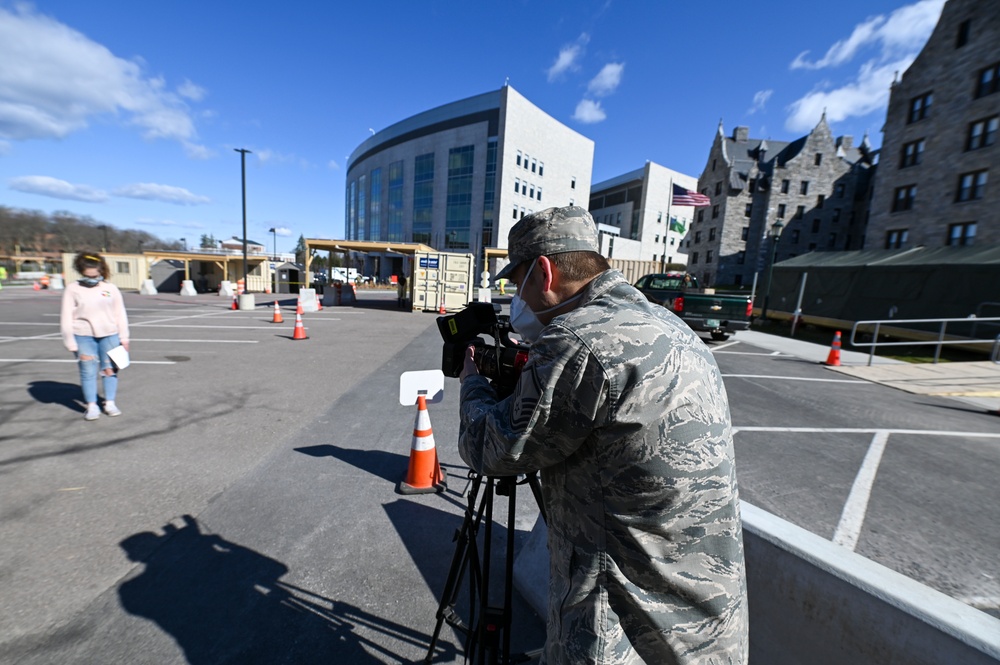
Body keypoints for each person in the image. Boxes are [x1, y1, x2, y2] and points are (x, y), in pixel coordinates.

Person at [458, 206, 748, 664]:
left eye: (519, 283)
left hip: (620, 624)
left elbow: (492, 448)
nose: (521, 299)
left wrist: (473, 381)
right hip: (703, 618)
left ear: (545, 271)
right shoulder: (669, 325)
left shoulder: (576, 341)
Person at [60, 252, 130, 421]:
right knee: (88, 371)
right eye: (87, 275)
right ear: (81, 271)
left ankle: (110, 402)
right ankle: (92, 405)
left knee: (110, 370)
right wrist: (69, 341)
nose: (92, 278)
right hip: (83, 335)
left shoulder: (110, 289)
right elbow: (66, 316)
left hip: (110, 335)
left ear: (101, 271)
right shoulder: (72, 289)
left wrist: (125, 338)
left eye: (95, 275)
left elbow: (120, 313)